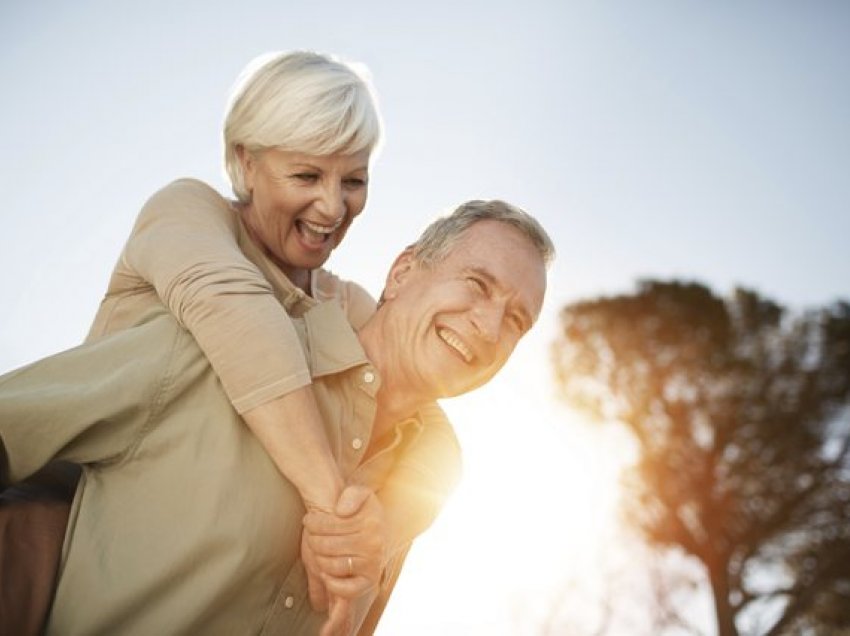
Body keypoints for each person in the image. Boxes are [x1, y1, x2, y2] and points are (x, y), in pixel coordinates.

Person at [4, 50, 460, 634]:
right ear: (246, 162)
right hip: (61, 548)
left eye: (354, 180)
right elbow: (244, 320)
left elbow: (432, 426)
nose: (333, 206)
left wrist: (376, 532)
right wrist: (332, 505)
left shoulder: (343, 302)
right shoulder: (189, 214)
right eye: (306, 175)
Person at [0, 200, 555, 635]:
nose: (488, 326)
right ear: (404, 270)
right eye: (477, 285)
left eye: (515, 320)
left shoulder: (415, 493)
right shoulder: (202, 353)